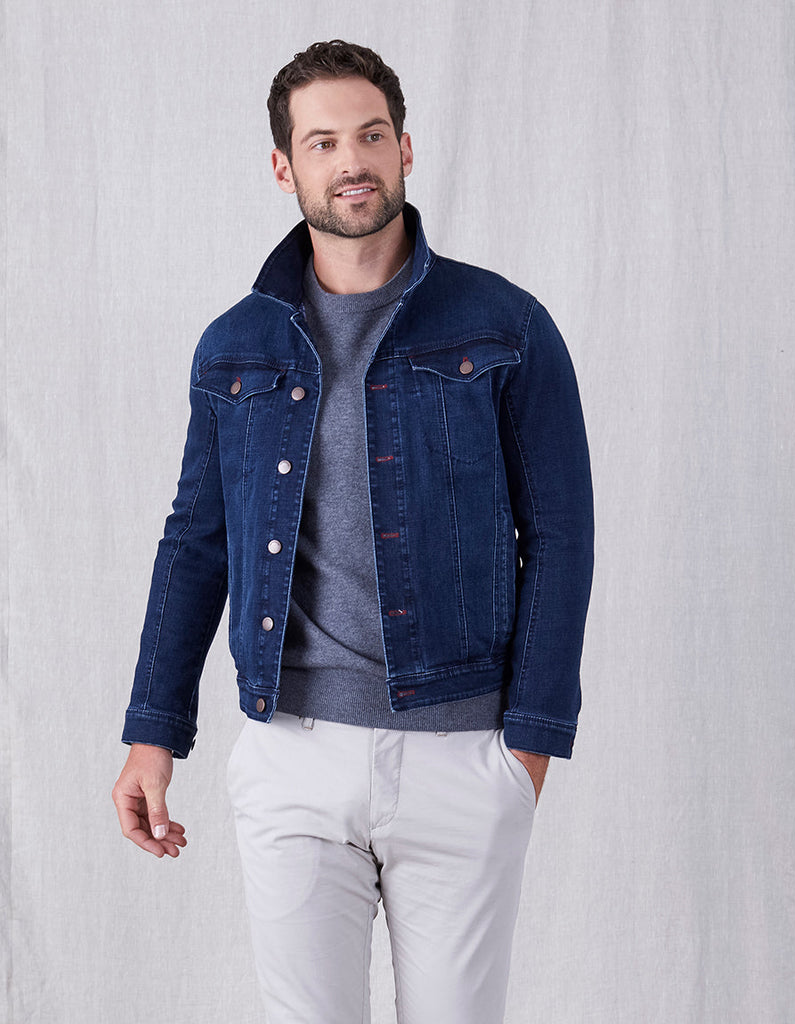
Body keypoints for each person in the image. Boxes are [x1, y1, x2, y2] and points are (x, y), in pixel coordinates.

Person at [112, 39, 594, 1024]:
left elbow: (560, 533)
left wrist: (528, 749)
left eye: (371, 135)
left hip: (463, 752)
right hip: (291, 751)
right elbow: (195, 541)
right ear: (283, 166)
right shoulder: (234, 344)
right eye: (323, 142)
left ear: (405, 149)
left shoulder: (507, 325)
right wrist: (153, 733)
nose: (352, 161)